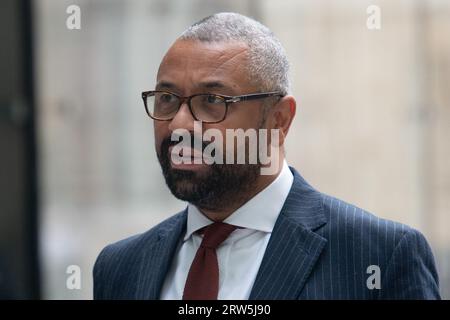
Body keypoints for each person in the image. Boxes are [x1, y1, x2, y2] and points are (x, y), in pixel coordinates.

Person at [93, 12, 440, 300]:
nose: (180, 124)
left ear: (279, 120)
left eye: (212, 102)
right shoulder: (121, 267)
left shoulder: (379, 256)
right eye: (167, 99)